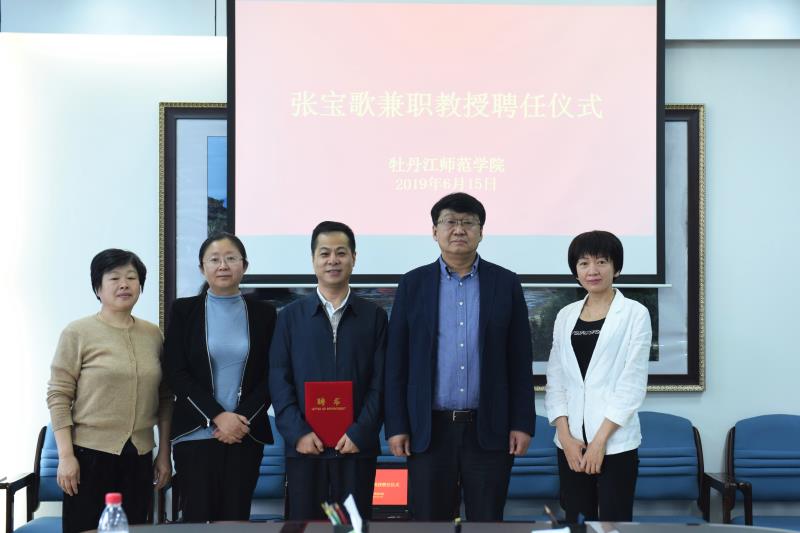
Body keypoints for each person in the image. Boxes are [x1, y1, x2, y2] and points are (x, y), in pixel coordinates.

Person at [384, 192, 535, 521]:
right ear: (434, 231)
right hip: (429, 430)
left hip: (489, 428)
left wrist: (522, 423)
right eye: (450, 222)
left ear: (481, 232)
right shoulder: (413, 284)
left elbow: (519, 361)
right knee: (429, 522)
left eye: (468, 223)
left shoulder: (505, 283)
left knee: (487, 521)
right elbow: (396, 363)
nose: (459, 229)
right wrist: (396, 425)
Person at [47, 249, 172, 533]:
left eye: (131, 277)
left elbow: (165, 397)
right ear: (98, 288)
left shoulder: (153, 334)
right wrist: (66, 456)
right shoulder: (78, 332)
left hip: (139, 455)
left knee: (136, 529)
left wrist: (164, 453)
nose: (124, 284)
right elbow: (58, 395)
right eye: (114, 278)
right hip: (88, 456)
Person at [269, 221, 387, 520]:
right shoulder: (290, 317)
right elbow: (279, 379)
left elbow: (381, 381)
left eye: (341, 253)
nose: (333, 260)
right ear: (313, 260)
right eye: (324, 253)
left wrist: (360, 431)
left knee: (350, 526)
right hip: (306, 447)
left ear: (354, 258)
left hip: (355, 447)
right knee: (306, 525)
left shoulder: (374, 316)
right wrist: (298, 433)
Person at [163, 232, 277, 522]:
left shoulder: (264, 313)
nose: (223, 265)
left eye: (230, 258)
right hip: (194, 435)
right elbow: (176, 372)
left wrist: (238, 420)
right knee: (197, 519)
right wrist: (217, 416)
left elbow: (272, 374)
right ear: (202, 268)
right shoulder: (184, 311)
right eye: (214, 259)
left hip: (244, 434)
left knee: (236, 520)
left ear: (244, 265)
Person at [544, 230, 652, 522]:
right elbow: (556, 379)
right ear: (575, 271)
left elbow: (632, 383)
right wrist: (565, 437)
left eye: (602, 262)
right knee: (577, 521)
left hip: (614, 442)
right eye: (584, 263)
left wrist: (599, 441)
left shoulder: (635, 313)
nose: (592, 270)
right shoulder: (565, 315)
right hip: (571, 445)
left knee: (613, 524)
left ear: (616, 268)